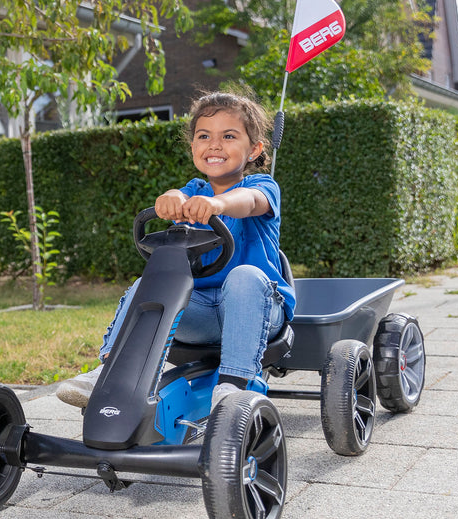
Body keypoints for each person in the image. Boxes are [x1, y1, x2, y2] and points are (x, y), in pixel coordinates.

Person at [56, 90, 295, 410]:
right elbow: (176, 196)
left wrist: (217, 204)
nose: (214, 144)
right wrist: (169, 201)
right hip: (201, 315)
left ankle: (235, 385)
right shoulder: (194, 191)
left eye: (228, 136)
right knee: (149, 283)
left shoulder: (262, 186)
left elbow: (250, 203)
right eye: (204, 136)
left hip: (258, 311)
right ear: (193, 146)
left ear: (254, 149)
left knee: (245, 276)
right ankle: (111, 373)